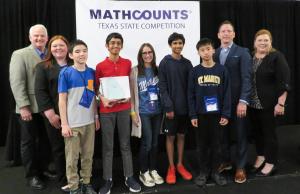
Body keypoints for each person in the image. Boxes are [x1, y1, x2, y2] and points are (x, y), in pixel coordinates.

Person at [9, 24, 54, 190]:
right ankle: (32, 175)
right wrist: (23, 106)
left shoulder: (50, 54)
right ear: (30, 38)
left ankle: (43, 169)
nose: (39, 39)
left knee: (44, 141)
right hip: (29, 107)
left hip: (47, 106)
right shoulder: (20, 54)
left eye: (42, 36)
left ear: (47, 38)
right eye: (36, 36)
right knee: (28, 142)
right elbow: (17, 82)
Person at [96, 32, 141, 194]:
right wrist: (102, 99)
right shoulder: (100, 66)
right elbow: (95, 88)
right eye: (112, 43)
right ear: (107, 45)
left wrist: (128, 100)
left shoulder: (128, 63)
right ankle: (107, 180)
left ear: (121, 46)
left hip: (124, 109)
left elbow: (130, 85)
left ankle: (129, 177)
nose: (115, 45)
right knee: (108, 147)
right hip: (106, 111)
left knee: (125, 145)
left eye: (118, 43)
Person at [58, 39, 100, 194]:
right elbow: (62, 100)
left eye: (84, 50)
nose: (82, 54)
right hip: (73, 124)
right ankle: (74, 187)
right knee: (72, 158)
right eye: (77, 51)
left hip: (89, 122)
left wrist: (96, 117)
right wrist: (64, 124)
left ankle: (86, 182)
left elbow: (93, 95)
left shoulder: (91, 72)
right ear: (70, 55)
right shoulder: (66, 73)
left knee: (88, 155)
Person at [188, 38, 231, 186]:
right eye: (202, 50)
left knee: (217, 145)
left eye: (208, 49)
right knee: (202, 146)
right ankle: (203, 172)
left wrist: (226, 113)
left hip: (217, 115)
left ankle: (215, 172)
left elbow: (227, 93)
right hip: (200, 116)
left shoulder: (222, 70)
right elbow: (191, 95)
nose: (206, 52)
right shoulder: (195, 71)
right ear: (198, 53)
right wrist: (193, 114)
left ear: (213, 50)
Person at [214, 20, 252, 183]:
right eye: (223, 31)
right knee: (222, 134)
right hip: (220, 103)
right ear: (218, 35)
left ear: (234, 34)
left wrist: (243, 101)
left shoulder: (242, 52)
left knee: (240, 134)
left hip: (238, 103)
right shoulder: (213, 53)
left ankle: (241, 167)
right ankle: (226, 161)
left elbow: (246, 78)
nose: (226, 33)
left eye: (229, 31)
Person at [248, 29, 290, 177]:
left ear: (270, 42)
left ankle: (271, 163)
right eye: (260, 40)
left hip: (269, 104)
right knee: (257, 133)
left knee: (269, 134)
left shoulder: (276, 57)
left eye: (266, 40)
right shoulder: (251, 56)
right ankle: (261, 156)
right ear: (255, 42)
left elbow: (284, 81)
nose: (263, 42)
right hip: (252, 104)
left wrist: (281, 103)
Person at [34, 35, 71, 192]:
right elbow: (40, 92)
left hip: (75, 115)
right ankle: (64, 178)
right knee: (59, 148)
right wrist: (50, 114)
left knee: (75, 148)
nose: (58, 48)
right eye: (54, 46)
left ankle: (76, 176)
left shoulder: (74, 65)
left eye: (61, 45)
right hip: (55, 116)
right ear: (50, 49)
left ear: (67, 47)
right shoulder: (43, 67)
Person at [159, 32, 193, 184]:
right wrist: (168, 107)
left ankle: (180, 164)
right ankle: (171, 167)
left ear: (183, 44)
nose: (177, 45)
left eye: (180, 43)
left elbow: (191, 87)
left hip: (185, 109)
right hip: (171, 109)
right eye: (175, 43)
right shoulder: (165, 63)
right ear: (170, 45)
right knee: (170, 137)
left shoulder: (187, 63)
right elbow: (163, 87)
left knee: (181, 136)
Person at [130, 43, 164, 187]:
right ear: (140, 55)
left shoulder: (158, 70)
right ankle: (143, 172)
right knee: (147, 143)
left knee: (155, 143)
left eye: (150, 52)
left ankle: (153, 169)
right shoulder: (135, 71)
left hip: (157, 112)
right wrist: (133, 113)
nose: (147, 55)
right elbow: (131, 94)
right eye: (144, 53)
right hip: (143, 112)